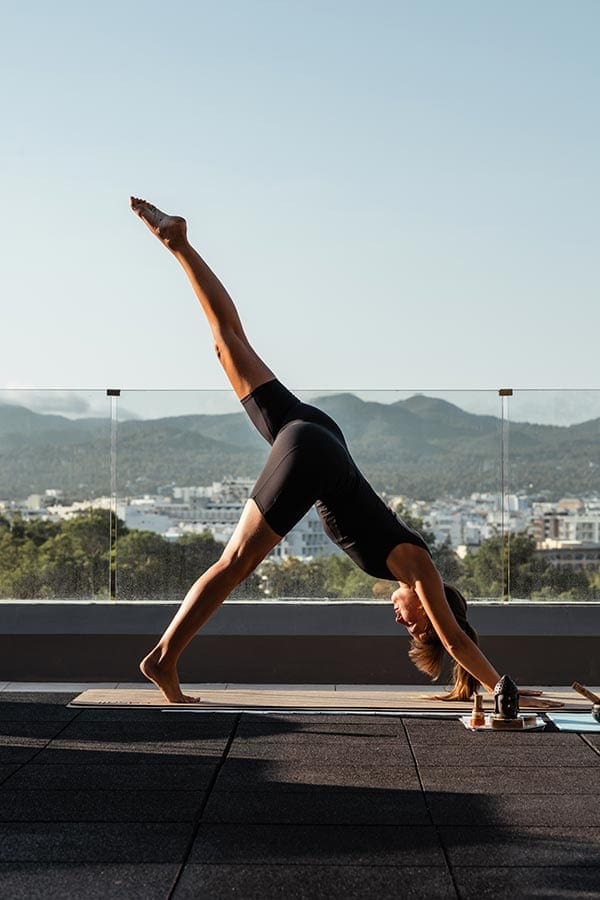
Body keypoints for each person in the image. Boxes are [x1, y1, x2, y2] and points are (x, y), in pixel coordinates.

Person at [130, 197, 559, 710]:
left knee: (229, 343)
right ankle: (163, 658)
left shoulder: (406, 565)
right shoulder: (419, 567)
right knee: (235, 562)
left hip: (315, 435)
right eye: (413, 624)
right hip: (312, 453)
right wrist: (500, 685)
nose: (401, 621)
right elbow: (456, 641)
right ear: (431, 608)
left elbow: (451, 641)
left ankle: (178, 244)